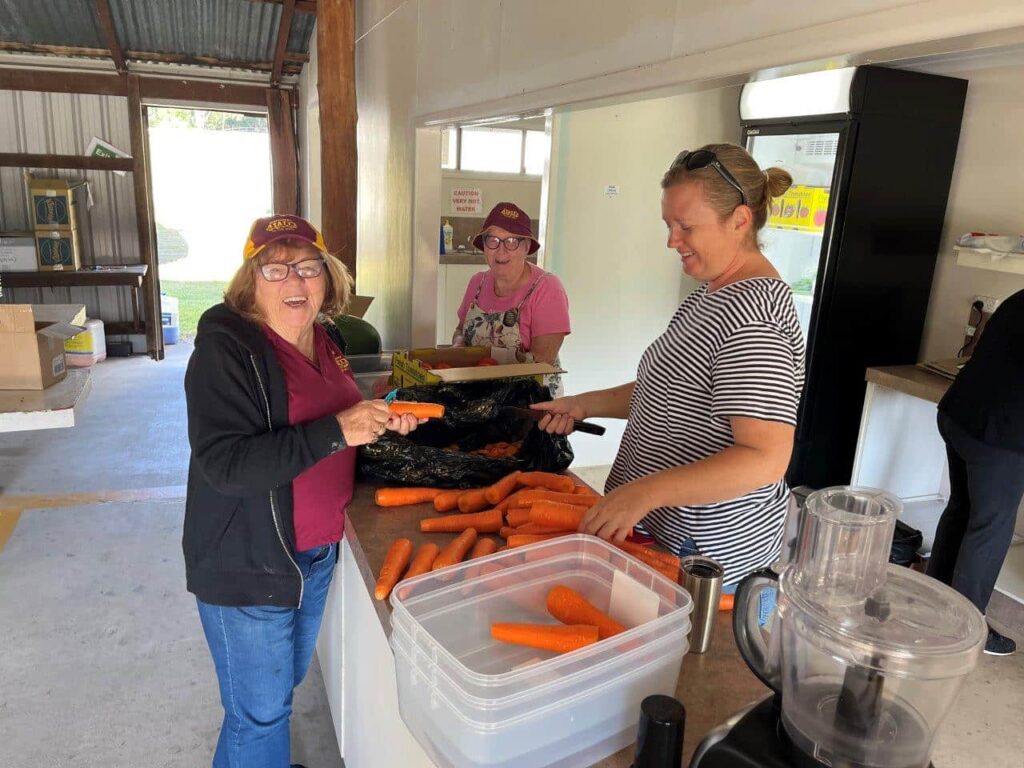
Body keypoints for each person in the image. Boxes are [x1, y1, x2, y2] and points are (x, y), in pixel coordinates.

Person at [182, 214, 422, 768]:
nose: (296, 282)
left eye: (309, 268)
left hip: (312, 557)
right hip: (249, 562)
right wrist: (339, 430)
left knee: (266, 705)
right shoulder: (225, 352)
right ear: (249, 281)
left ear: (328, 276)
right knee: (260, 716)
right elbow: (224, 463)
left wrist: (381, 418)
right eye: (276, 268)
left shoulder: (326, 338)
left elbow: (336, 418)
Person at [534, 144, 805, 586]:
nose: (671, 240)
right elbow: (663, 389)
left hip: (705, 556)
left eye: (686, 226)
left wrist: (643, 493)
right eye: (668, 224)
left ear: (740, 219)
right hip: (661, 531)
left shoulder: (756, 319)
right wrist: (583, 404)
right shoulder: (711, 294)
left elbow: (765, 458)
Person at [928, 288, 1024, 656]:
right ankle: (965, 629)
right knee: (990, 526)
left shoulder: (1019, 296)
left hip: (959, 414)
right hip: (999, 433)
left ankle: (936, 601)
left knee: (963, 509)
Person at [452, 202, 570, 396]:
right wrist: (458, 346)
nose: (501, 251)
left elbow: (542, 362)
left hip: (531, 402)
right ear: (484, 245)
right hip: (479, 397)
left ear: (526, 247)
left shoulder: (547, 288)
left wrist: (488, 368)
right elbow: (460, 330)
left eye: (512, 241)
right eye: (493, 240)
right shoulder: (477, 283)